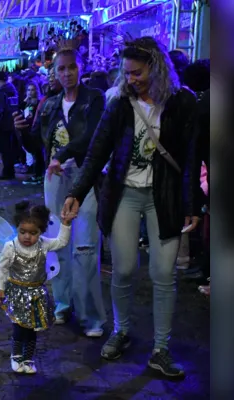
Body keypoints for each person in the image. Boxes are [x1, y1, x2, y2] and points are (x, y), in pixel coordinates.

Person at [61, 37, 200, 377]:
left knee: (163, 274)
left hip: (163, 198)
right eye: (127, 73)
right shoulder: (120, 102)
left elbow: (192, 156)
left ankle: (161, 349)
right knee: (123, 270)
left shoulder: (182, 102)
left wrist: (192, 203)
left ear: (156, 66)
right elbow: (98, 150)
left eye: (137, 72)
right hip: (124, 194)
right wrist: (77, 192)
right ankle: (121, 330)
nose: (131, 79)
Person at [14, 46, 107, 338]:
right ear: (53, 72)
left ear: (81, 68)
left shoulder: (94, 99)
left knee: (86, 247)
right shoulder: (49, 104)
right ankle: (63, 304)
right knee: (57, 245)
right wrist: (21, 131)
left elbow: (90, 138)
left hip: (86, 177)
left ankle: (91, 316)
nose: (66, 73)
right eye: (61, 69)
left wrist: (62, 154)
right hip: (55, 178)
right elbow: (37, 147)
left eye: (72, 67)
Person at [0, 201, 72, 373]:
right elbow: (1, 268)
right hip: (17, 293)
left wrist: (65, 224)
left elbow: (62, 242)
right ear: (17, 228)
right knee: (19, 327)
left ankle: (28, 358)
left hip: (36, 294)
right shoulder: (11, 247)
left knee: (32, 330)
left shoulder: (44, 244)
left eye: (33, 233)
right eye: (22, 232)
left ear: (41, 231)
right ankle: (16, 355)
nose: (27, 237)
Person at [0, 71, 20, 180]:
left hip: (2, 126)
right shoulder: (12, 90)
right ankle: (10, 171)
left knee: (4, 150)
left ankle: (7, 172)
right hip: (12, 123)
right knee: (10, 149)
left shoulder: (0, 93)